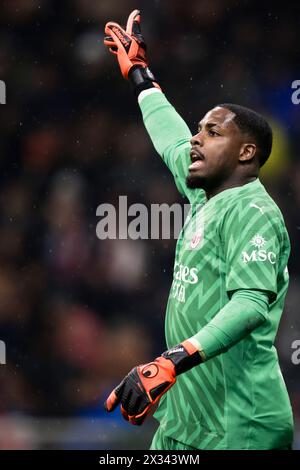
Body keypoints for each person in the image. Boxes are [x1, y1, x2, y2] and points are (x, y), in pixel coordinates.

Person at [102, 10, 294, 450]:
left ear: (247, 153)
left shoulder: (254, 212)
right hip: (187, 416)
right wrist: (140, 75)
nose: (195, 139)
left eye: (211, 132)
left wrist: (172, 361)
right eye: (198, 130)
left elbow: (249, 306)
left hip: (241, 423)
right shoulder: (204, 195)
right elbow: (170, 136)